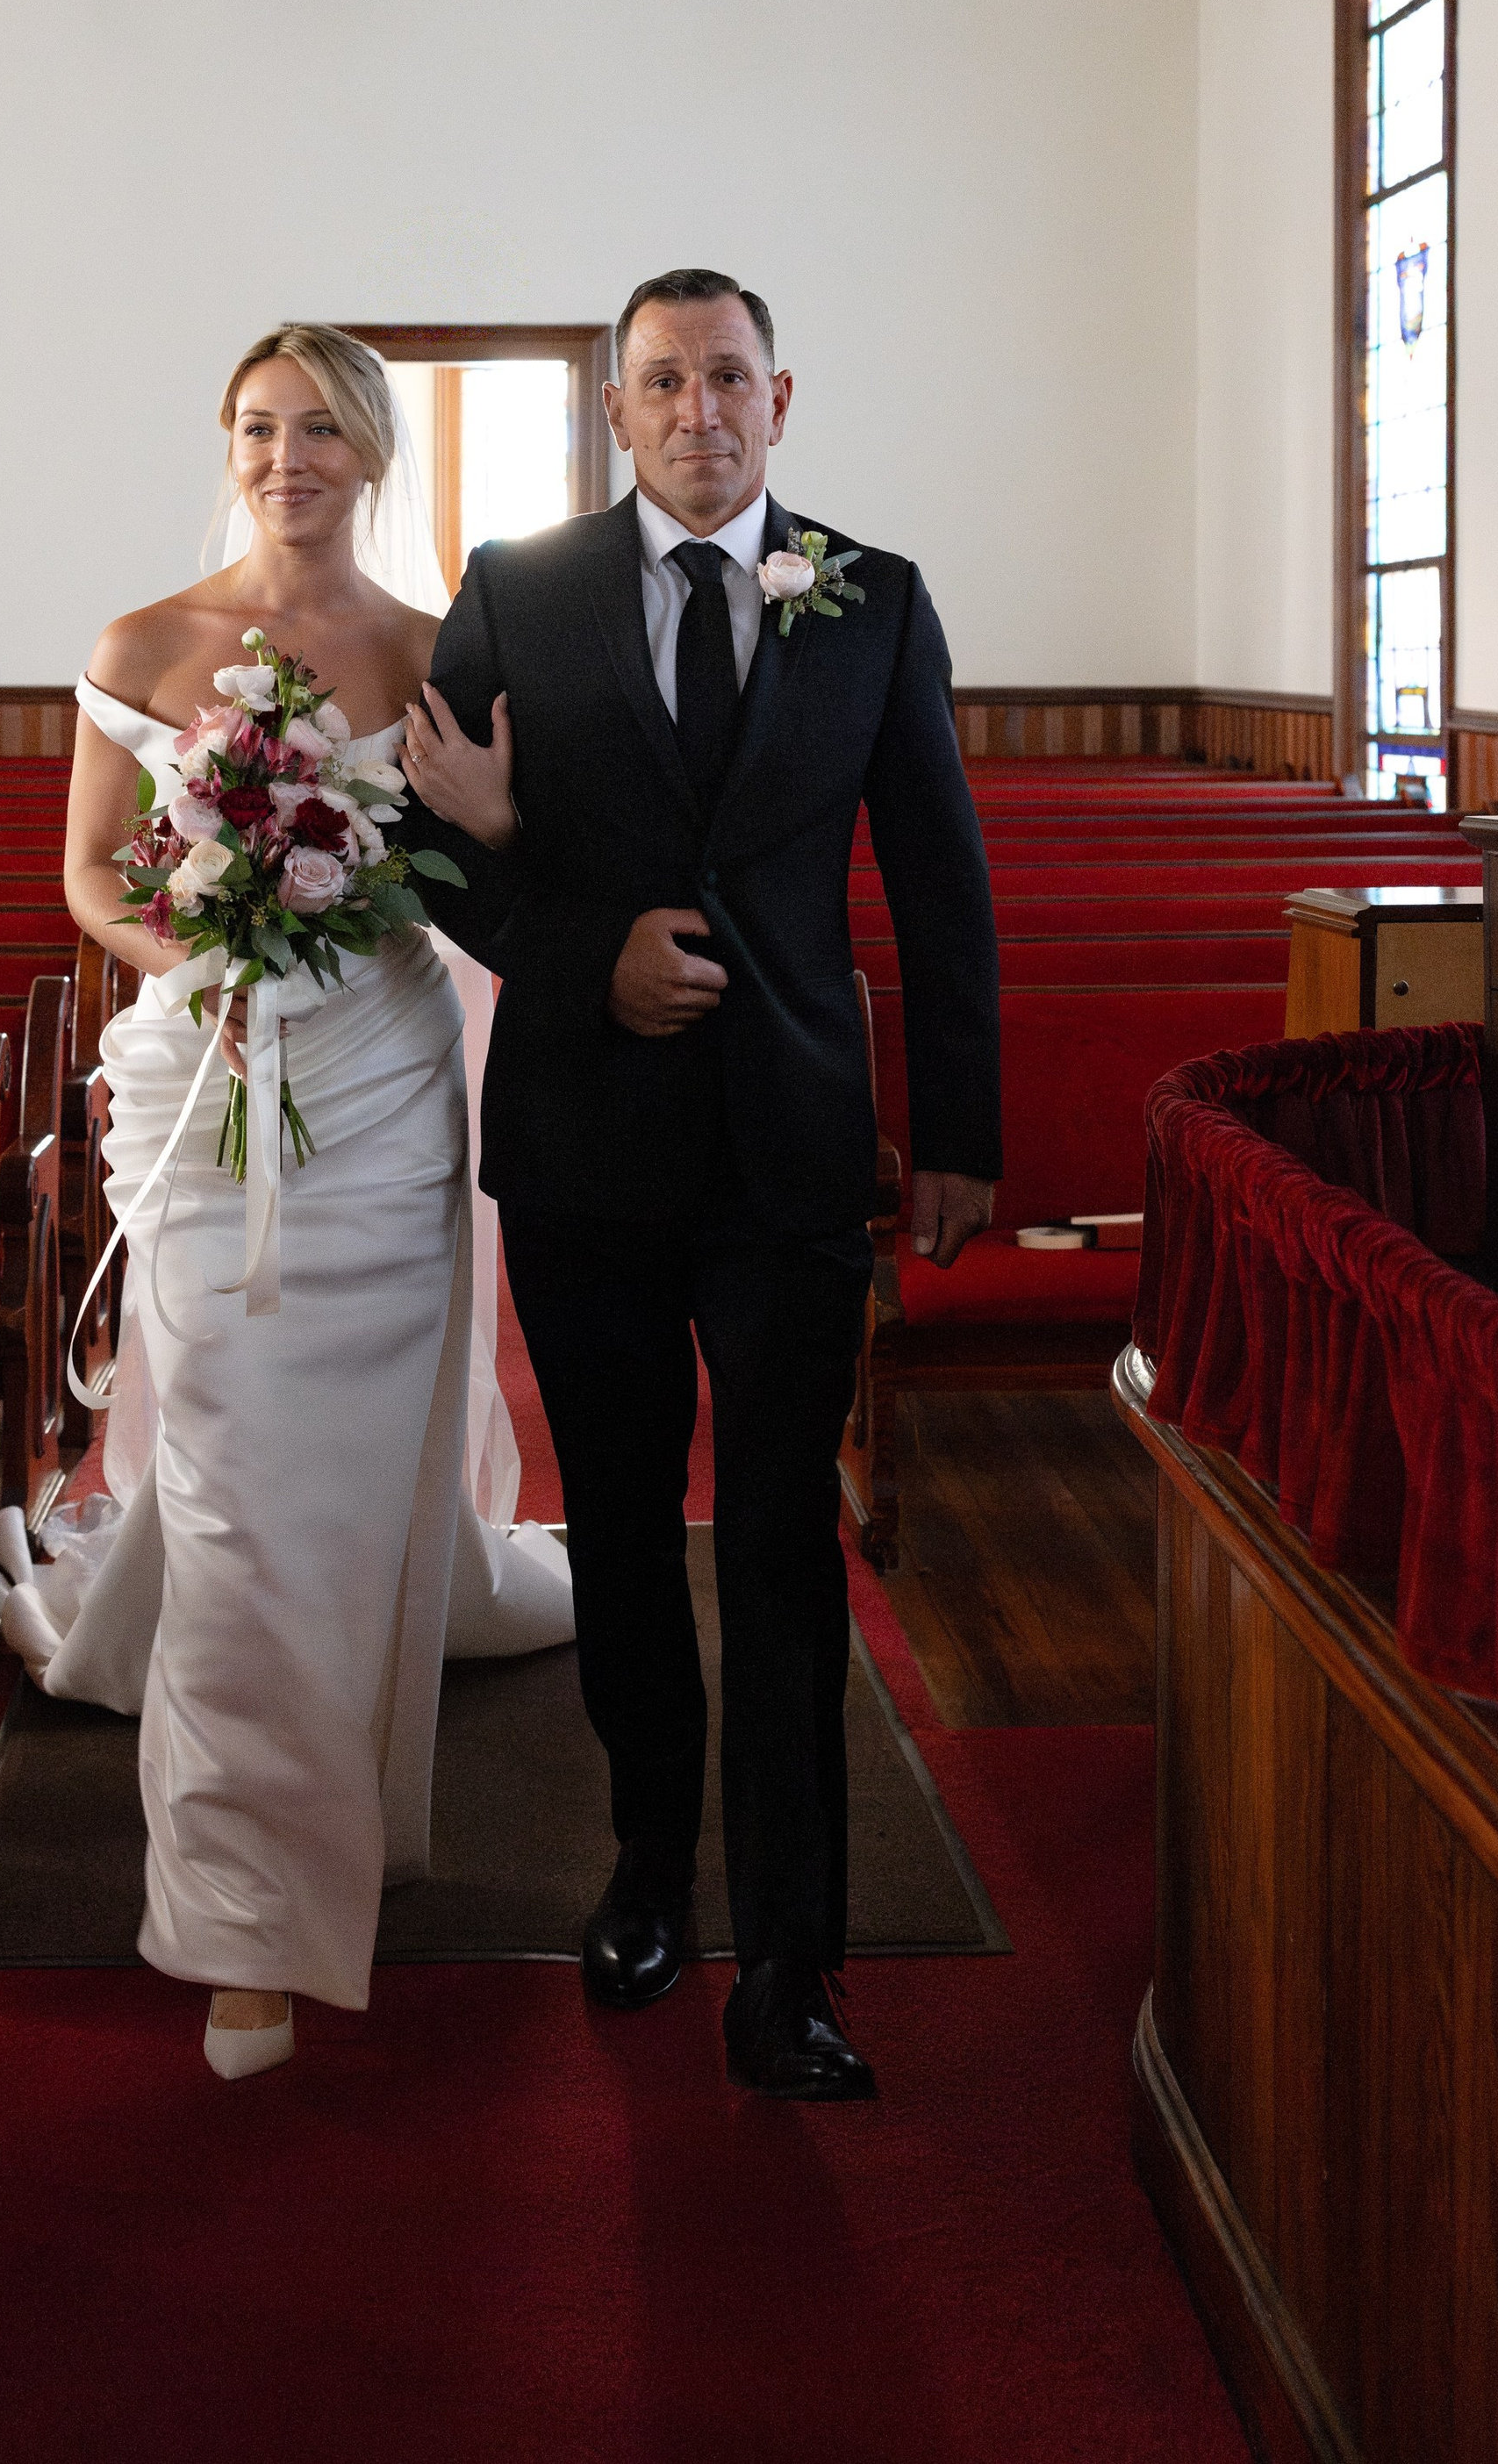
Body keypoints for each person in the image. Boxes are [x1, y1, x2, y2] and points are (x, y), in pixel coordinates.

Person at [402, 270, 1000, 2102]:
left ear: (778, 396)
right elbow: (425, 839)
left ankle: (796, 1960)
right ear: (617, 409)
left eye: (726, 375)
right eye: (660, 379)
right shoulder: (518, 589)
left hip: (789, 1147)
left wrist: (960, 1130)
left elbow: (939, 872)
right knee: (623, 1534)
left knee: (780, 1543)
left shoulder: (872, 597)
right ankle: (650, 1868)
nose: (696, 409)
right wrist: (585, 953)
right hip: (586, 1138)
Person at [11, 324, 571, 2081]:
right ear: (228, 443)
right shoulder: (142, 643)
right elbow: (89, 872)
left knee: (357, 1479)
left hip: (386, 1085)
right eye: (257, 426)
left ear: (371, 449)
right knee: (236, 1483)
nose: (285, 455)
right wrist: (211, 945)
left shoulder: (436, 649)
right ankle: (242, 1911)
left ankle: (357, 1795)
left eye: (320, 426)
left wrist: (490, 832)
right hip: (209, 1077)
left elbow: (487, 865)